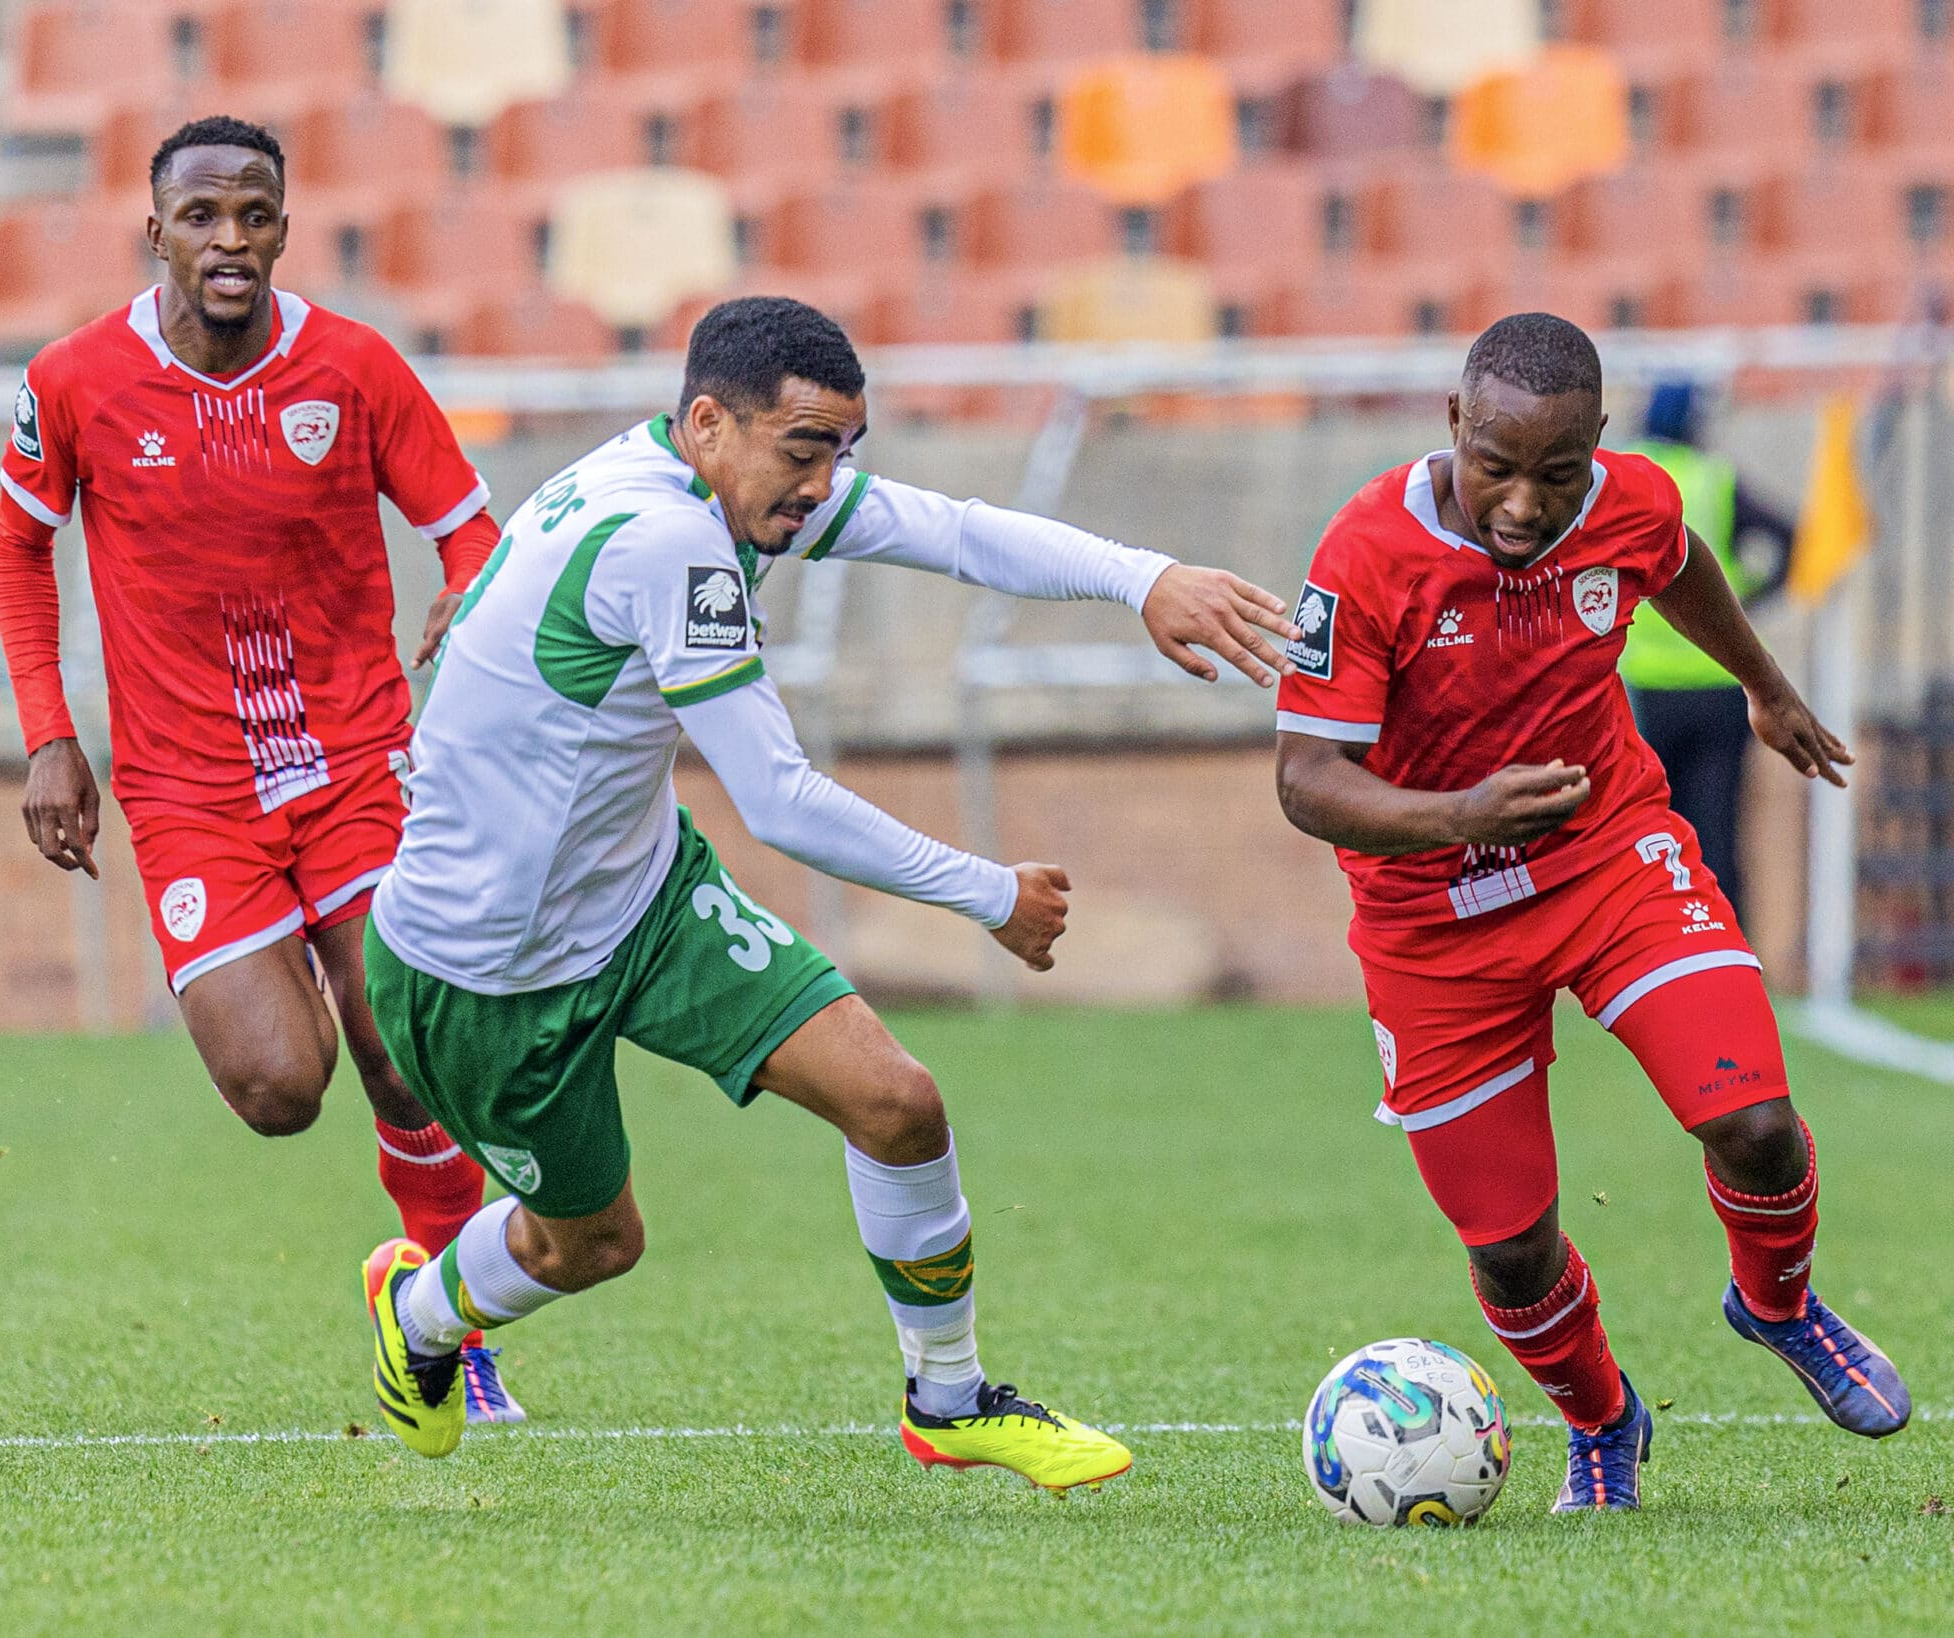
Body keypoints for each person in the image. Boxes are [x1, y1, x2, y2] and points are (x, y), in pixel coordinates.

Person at [358, 295, 1299, 1489]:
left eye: (839, 451)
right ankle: (422, 1315)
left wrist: (1145, 576)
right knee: (592, 1243)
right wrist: (985, 892)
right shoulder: (665, 540)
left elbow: (952, 530)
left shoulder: (723, 482)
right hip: (480, 972)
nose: (823, 482)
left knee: (899, 1105)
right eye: (803, 451)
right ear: (707, 422)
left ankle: (948, 1401)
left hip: (643, 906)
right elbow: (781, 801)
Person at [1272, 313, 1908, 1514]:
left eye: (1555, 476)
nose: (1521, 504)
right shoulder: (1363, 554)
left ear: (1597, 448)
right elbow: (1304, 782)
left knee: (1756, 1122)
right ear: (1452, 426)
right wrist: (1464, 814)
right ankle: (1603, 1422)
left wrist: (1762, 689)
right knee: (1510, 1250)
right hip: (1430, 927)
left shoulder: (1631, 500)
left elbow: (1676, 564)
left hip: (1605, 859)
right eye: (1495, 468)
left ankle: (1776, 1305)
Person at [0, 115, 521, 1419]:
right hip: (188, 791)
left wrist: (471, 593)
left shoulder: (352, 367)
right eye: (204, 217)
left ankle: (445, 1318)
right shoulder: (74, 381)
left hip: (354, 764)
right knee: (283, 1087)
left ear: (285, 225)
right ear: (155, 233)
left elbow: (472, 531)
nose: (232, 241)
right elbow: (17, 549)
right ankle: (416, 1257)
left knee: (406, 1047)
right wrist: (52, 733)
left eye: (256, 215)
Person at [1620, 379, 1796, 912]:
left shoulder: (1620, 479)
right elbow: (1790, 537)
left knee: (1644, 831)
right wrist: (1742, 602)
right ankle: (1730, 950)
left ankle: (1656, 949)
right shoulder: (1716, 478)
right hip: (1722, 685)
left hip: (1643, 691)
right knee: (1717, 830)